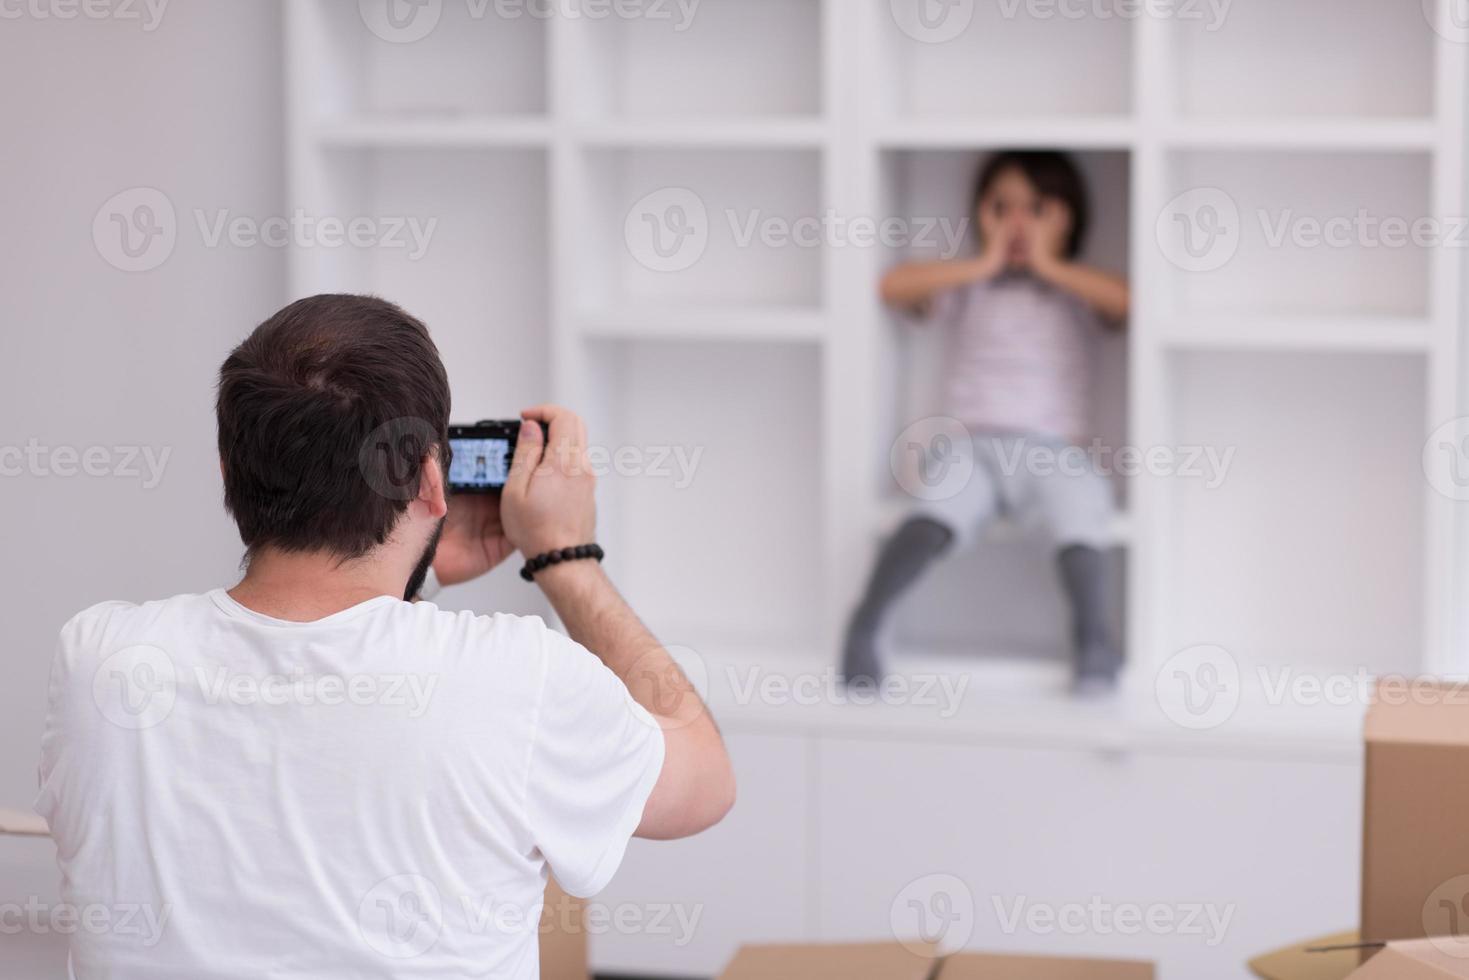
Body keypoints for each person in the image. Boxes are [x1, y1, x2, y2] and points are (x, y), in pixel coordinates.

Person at [36, 294, 735, 978]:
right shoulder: (519, 681)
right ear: (432, 477)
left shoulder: (100, 660)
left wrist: (408, 586)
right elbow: (704, 785)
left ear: (228, 473)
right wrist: (564, 557)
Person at [843, 151, 1130, 694]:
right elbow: (894, 287)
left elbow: (1125, 302)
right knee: (933, 511)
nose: (1018, 222)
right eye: (1002, 207)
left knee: (1079, 510)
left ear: (1069, 215)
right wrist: (984, 263)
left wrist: (1048, 266)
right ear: (980, 214)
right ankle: (867, 620)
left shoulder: (1071, 293)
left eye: (1037, 208)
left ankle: (1094, 637)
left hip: (1051, 449)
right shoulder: (970, 287)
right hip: (971, 448)